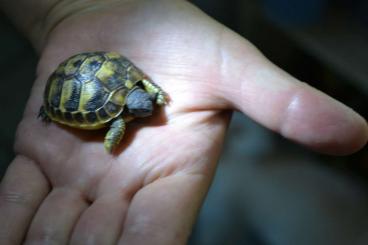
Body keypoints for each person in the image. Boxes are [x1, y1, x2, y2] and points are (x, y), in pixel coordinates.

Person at [0, 0, 366, 244]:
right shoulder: (120, 116)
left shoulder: (141, 91)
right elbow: (120, 121)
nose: (149, 111)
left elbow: (144, 94)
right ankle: (52, 107)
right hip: (72, 84)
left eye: (146, 104)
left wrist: (69, 8)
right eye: (143, 107)